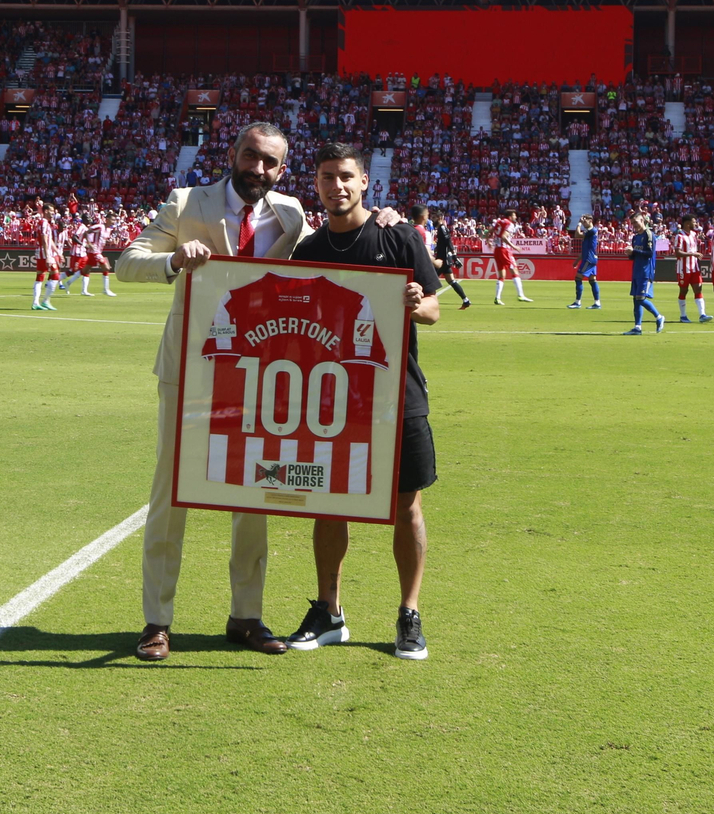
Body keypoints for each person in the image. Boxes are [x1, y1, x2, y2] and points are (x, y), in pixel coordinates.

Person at [115, 123, 401, 662]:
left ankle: (245, 615)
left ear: (281, 168)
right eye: (251, 157)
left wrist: (387, 221)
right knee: (170, 495)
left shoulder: (290, 214)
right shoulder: (185, 202)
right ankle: (157, 621)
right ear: (234, 154)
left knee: (253, 494)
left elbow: (336, 244)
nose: (258, 169)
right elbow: (127, 262)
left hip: (258, 374)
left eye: (270, 162)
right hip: (190, 372)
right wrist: (175, 260)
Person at [285, 144, 442, 661]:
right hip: (329, 398)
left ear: (365, 182)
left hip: (396, 393)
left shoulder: (397, 237)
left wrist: (417, 304)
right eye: (328, 177)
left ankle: (409, 613)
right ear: (317, 184)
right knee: (329, 503)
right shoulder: (307, 252)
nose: (338, 186)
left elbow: (435, 310)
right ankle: (329, 613)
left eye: (346, 177)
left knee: (405, 506)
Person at [625, 213, 665, 336]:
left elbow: (649, 253)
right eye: (632, 223)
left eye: (636, 222)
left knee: (641, 298)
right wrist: (630, 254)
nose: (634, 225)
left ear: (642, 220)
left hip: (646, 272)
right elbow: (635, 256)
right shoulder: (635, 237)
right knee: (636, 300)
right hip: (637, 271)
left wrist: (634, 251)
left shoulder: (649, 234)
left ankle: (659, 316)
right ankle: (637, 327)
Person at [427, 207, 471, 309]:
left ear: (440, 217)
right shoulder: (440, 228)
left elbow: (448, 242)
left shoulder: (442, 228)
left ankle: (426, 302)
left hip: (443, 260)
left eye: (434, 217)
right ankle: (466, 300)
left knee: (430, 279)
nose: (432, 219)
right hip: (444, 259)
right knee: (451, 281)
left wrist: (455, 257)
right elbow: (444, 243)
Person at [673, 214, 710, 323]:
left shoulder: (694, 234)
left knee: (698, 288)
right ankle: (683, 316)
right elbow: (677, 252)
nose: (696, 224)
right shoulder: (679, 236)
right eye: (694, 222)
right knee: (684, 290)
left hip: (695, 268)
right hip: (683, 268)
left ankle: (702, 315)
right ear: (687, 223)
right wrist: (692, 254)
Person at [491, 209, 532, 305]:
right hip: (505, 250)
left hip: (497, 250)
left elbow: (490, 231)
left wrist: (489, 241)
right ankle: (521, 295)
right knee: (514, 271)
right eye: (514, 215)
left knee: (502, 275)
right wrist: (514, 247)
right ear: (510, 216)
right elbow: (504, 237)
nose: (515, 217)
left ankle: (497, 298)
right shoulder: (510, 224)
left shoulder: (499, 222)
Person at [76, 212, 116, 296]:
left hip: (97, 251)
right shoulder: (99, 226)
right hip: (94, 251)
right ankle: (106, 289)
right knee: (106, 267)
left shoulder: (109, 230)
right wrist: (89, 243)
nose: (114, 221)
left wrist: (109, 242)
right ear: (107, 219)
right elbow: (86, 232)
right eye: (112, 219)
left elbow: (102, 239)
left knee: (85, 270)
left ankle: (74, 284)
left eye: (115, 220)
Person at [31, 203, 62, 311]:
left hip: (42, 253)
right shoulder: (44, 223)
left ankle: (35, 303)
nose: (53, 213)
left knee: (40, 277)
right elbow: (44, 240)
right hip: (44, 253)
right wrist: (48, 256)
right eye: (51, 210)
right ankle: (45, 301)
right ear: (45, 211)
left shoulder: (45, 223)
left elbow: (49, 240)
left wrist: (58, 252)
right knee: (55, 276)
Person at [567, 213, 601, 309]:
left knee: (578, 278)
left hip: (589, 259)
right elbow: (586, 249)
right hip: (591, 258)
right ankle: (597, 303)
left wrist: (579, 223)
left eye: (585, 220)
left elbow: (577, 235)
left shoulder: (592, 230)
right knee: (592, 280)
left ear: (590, 221)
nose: (583, 222)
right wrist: (577, 260)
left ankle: (577, 302)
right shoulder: (589, 232)